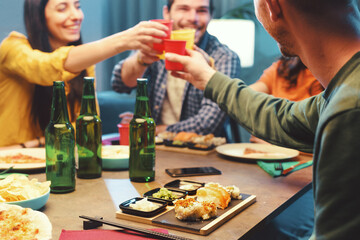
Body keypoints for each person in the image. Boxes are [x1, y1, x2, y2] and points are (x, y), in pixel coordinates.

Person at [165, 0, 360, 238]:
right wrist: (209, 78)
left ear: (272, 6)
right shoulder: (345, 91)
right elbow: (286, 119)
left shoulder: (350, 108)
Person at [0, 0, 168, 148]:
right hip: (10, 164)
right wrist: (123, 40)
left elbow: (87, 126)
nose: (76, 15)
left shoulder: (83, 64)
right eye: (62, 8)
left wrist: (34, 143)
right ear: (39, 17)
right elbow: (46, 68)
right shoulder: (12, 47)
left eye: (77, 6)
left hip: (60, 159)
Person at [111, 0, 241, 136]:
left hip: (203, 152)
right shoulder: (156, 45)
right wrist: (140, 60)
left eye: (202, 10)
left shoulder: (224, 57)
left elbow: (208, 124)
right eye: (184, 9)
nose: (193, 18)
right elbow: (119, 84)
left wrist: (151, 128)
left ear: (211, 15)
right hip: (156, 148)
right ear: (166, 13)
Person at [249, 56, 324, 144]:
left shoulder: (320, 76)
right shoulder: (281, 67)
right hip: (265, 147)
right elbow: (251, 93)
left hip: (301, 153)